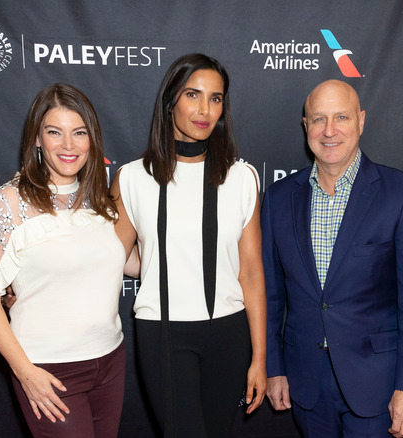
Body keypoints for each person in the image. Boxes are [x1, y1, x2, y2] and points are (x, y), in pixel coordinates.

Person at [263, 79, 403, 438]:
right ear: (305, 126)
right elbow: (270, 296)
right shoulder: (279, 199)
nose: (329, 131)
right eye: (318, 119)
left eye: (341, 117)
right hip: (305, 379)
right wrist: (273, 367)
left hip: (378, 382)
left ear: (360, 121)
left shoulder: (402, 193)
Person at [110, 53, 266, 438]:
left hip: (229, 333)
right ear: (170, 101)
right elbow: (109, 259)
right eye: (193, 95)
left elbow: (250, 272)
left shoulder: (242, 178)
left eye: (215, 98)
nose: (204, 109)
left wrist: (260, 358)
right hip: (162, 332)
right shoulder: (132, 178)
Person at [0, 83, 127, 437]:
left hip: (111, 361)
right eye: (55, 132)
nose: (68, 146)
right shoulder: (6, 203)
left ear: (92, 139)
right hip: (49, 369)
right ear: (37, 139)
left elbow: (127, 263)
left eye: (79, 133)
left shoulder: (100, 197)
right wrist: (25, 371)